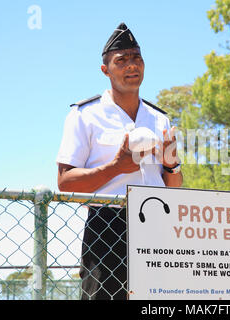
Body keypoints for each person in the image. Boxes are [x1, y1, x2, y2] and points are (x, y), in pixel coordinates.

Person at [56, 22, 183, 300]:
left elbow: (173, 187)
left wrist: (171, 164)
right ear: (106, 70)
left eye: (136, 58)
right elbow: (64, 181)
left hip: (157, 223)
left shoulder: (159, 118)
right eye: (121, 60)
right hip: (108, 224)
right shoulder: (84, 115)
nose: (131, 66)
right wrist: (116, 168)